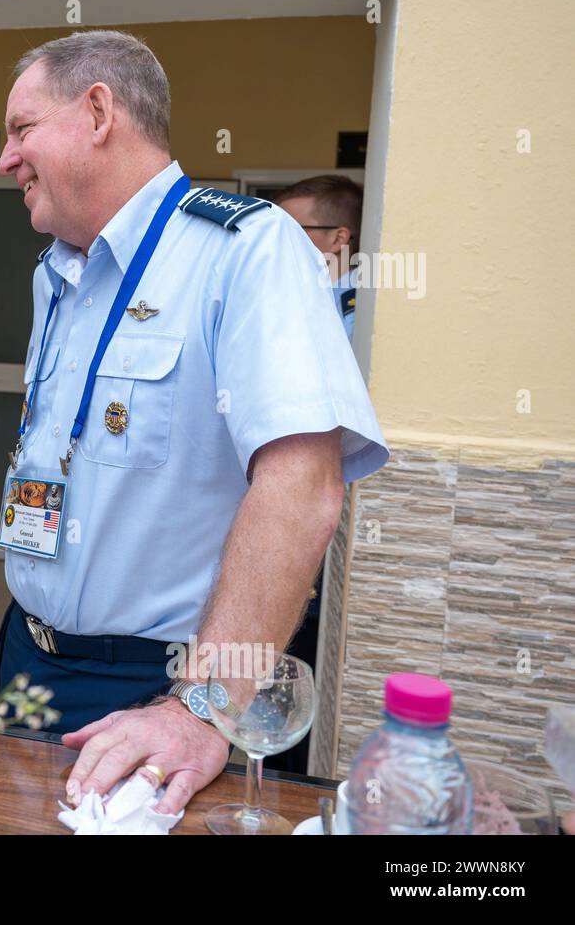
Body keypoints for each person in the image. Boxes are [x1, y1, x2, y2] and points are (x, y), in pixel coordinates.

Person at [0, 31, 388, 815]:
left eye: (20, 129)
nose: (5, 159)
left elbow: (302, 487)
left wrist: (202, 705)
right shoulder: (57, 272)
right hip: (23, 654)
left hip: (153, 691)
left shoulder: (246, 250)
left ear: (98, 110)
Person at [268, 174, 365, 774]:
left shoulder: (354, 316)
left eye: (293, 231)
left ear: (337, 239)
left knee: (292, 660)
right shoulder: (305, 302)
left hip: (321, 517)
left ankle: (278, 782)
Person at [275, 174, 364, 341]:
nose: (278, 239)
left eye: (293, 230)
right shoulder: (303, 294)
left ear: (338, 239)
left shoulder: (357, 314)